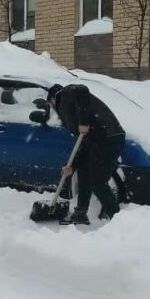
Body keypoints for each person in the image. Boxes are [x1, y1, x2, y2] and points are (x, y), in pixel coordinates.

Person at [47, 83, 126, 225]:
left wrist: (83, 122)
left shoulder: (64, 95)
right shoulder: (69, 111)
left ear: (52, 100)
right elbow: (82, 143)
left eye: (51, 105)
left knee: (98, 182)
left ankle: (119, 221)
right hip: (97, 139)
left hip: (108, 138)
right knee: (84, 171)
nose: (53, 110)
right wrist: (72, 166)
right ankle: (80, 213)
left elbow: (81, 90)